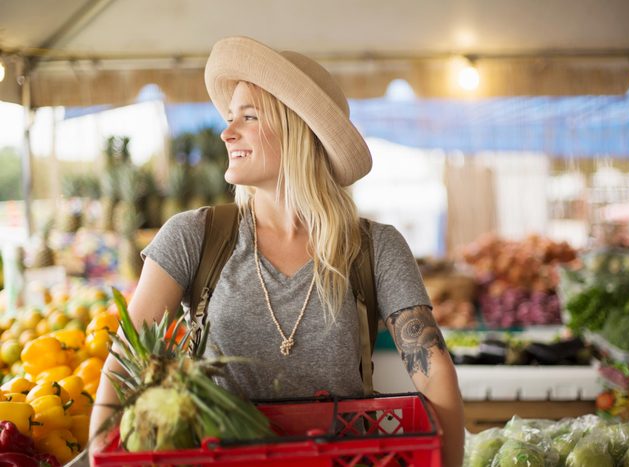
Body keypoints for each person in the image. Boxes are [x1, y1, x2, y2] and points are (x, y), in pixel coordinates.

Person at [89, 36, 465, 466]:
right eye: (231, 117)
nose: (226, 132)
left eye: (248, 117)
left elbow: (434, 373)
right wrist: (99, 453)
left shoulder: (375, 247)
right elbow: (125, 362)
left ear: (298, 130)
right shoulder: (194, 236)